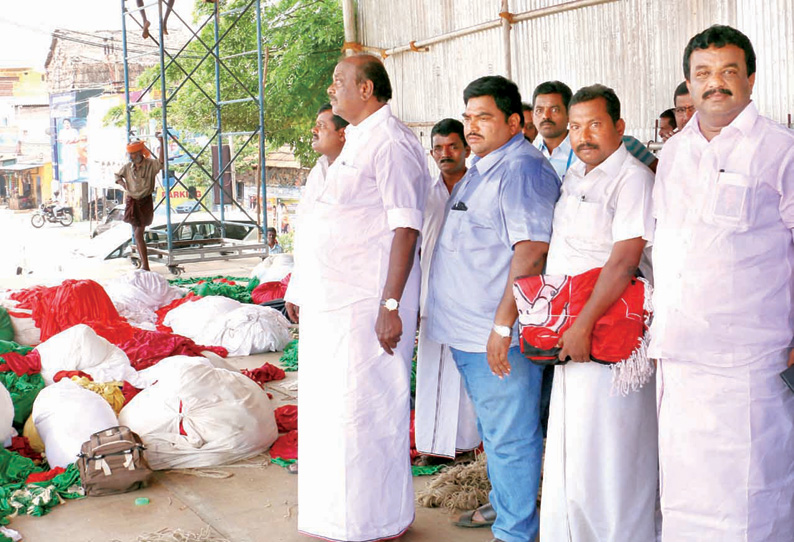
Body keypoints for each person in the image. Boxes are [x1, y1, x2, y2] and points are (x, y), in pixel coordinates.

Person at [651, 25, 794, 541]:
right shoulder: (674, 153)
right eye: (704, 74)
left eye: (729, 71)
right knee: (688, 494)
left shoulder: (779, 149)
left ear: (751, 79)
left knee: (753, 490)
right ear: (688, 83)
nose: (716, 84)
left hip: (750, 359)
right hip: (682, 355)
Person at [293, 54, 430, 542]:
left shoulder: (392, 142)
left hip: (367, 307)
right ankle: (337, 518)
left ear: (367, 89)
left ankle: (375, 522)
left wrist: (390, 305)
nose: (332, 89)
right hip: (334, 306)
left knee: (366, 412)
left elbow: (405, 227)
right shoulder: (357, 141)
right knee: (332, 414)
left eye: (339, 82)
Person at [425, 75, 559, 542]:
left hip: (497, 335)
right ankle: (509, 513)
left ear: (515, 121)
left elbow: (531, 251)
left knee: (512, 438)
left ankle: (516, 533)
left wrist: (503, 327)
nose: (472, 126)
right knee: (499, 435)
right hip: (471, 332)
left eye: (483, 116)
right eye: (468, 116)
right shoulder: (485, 167)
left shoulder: (521, 169)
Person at [539, 84, 657, 542]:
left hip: (611, 335)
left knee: (616, 449)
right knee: (576, 445)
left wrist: (583, 324)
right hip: (572, 334)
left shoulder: (633, 179)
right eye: (575, 126)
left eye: (594, 124)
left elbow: (624, 260)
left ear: (619, 127)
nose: (582, 135)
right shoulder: (574, 177)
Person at [414, 118, 480, 463]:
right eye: (439, 148)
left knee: (464, 372)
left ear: (467, 149)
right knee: (430, 372)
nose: (446, 154)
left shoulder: (479, 187)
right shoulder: (425, 192)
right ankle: (433, 447)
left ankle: (465, 446)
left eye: (453, 146)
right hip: (430, 295)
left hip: (470, 297)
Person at [285, 102, 348, 325]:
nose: (314, 130)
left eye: (321, 125)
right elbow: (305, 234)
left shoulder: (355, 172)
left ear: (342, 134)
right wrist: (296, 287)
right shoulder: (318, 172)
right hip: (314, 290)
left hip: (346, 294)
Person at [115, 135, 164, 272]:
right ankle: (144, 264)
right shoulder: (127, 167)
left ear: (139, 153)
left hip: (144, 201)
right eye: (130, 154)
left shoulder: (150, 164)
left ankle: (146, 266)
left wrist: (162, 143)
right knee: (136, 232)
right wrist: (122, 183)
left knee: (138, 234)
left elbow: (161, 162)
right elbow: (117, 175)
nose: (131, 156)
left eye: (133, 153)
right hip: (132, 200)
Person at [532, 81, 576, 181]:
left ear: (569, 114)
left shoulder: (583, 153)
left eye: (554, 110)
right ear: (532, 115)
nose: (546, 116)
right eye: (539, 110)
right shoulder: (531, 154)